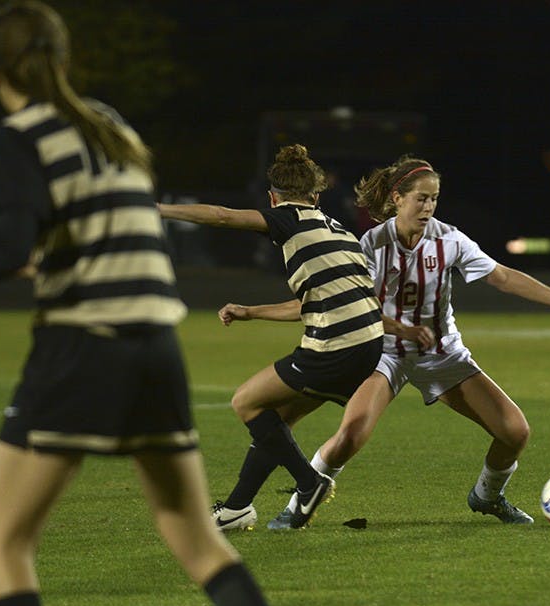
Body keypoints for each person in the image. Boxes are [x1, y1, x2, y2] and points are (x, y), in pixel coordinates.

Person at [0, 3, 279, 606]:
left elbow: (11, 245)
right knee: (197, 541)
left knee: (5, 542)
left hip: (83, 346)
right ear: (64, 61)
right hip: (156, 346)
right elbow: (106, 229)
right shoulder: (110, 126)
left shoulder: (18, 133)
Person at [262, 155, 550, 529]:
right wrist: (255, 311)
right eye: (421, 198)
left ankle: (487, 495)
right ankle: (297, 505)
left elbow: (503, 277)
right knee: (351, 433)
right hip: (383, 354)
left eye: (434, 198)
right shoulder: (371, 244)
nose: (429, 206)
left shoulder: (449, 239)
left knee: (515, 431)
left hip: (442, 354)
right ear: (398, 198)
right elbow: (336, 301)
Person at [157, 144, 384, 532]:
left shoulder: (288, 219)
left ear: (273, 198)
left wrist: (157, 210)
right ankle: (236, 509)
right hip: (368, 344)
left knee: (245, 402)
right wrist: (251, 311)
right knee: (277, 419)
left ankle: (309, 483)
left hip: (336, 343)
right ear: (316, 195)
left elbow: (222, 216)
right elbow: (311, 303)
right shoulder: (339, 231)